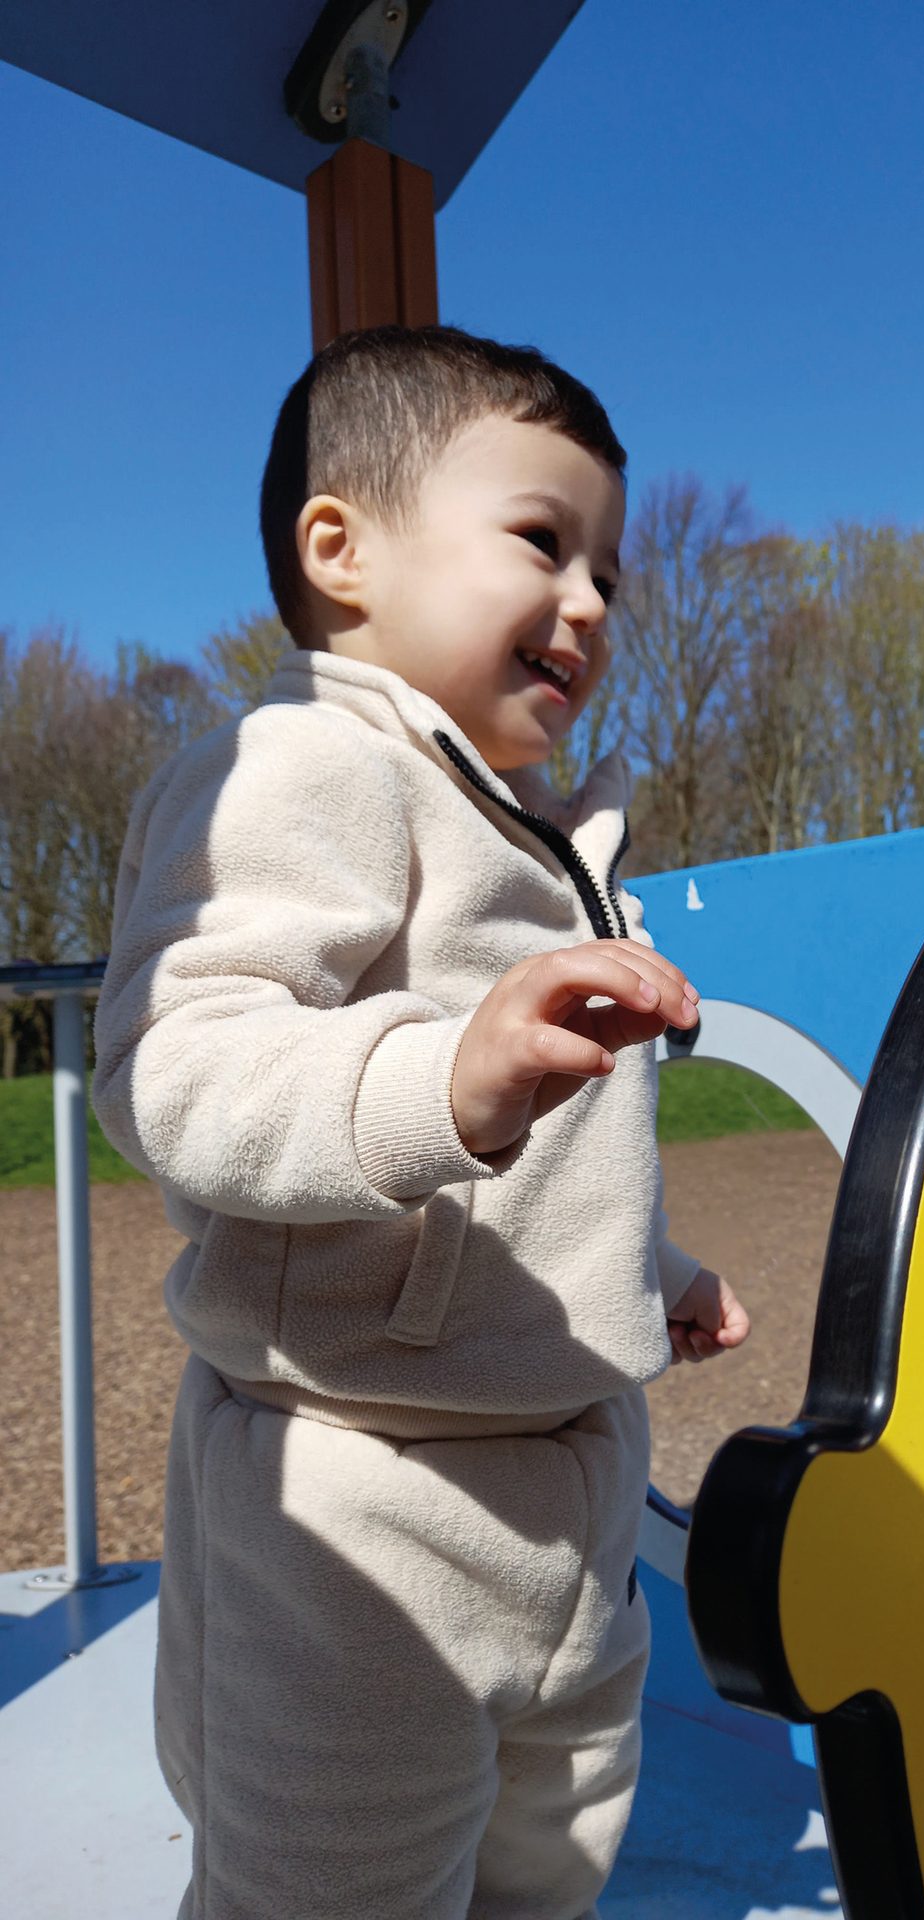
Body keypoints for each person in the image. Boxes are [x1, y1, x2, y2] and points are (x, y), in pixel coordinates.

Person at [92, 325, 751, 1920]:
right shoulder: (300, 766)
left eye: (608, 566)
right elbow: (182, 1064)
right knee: (337, 1882)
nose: (591, 600)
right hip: (360, 1504)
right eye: (543, 539)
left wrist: (641, 1265)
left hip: (572, 1486)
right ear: (343, 549)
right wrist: (437, 1081)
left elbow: (560, 1158)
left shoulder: (539, 834)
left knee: (553, 1855)